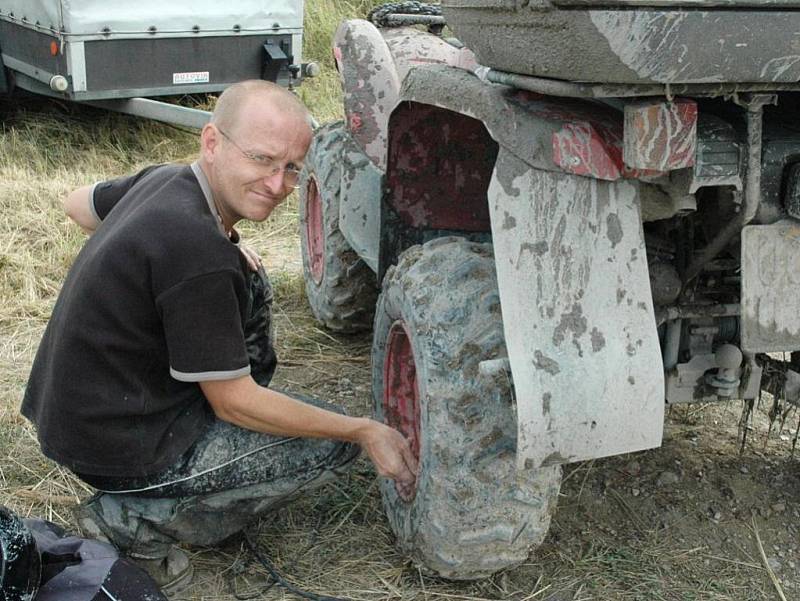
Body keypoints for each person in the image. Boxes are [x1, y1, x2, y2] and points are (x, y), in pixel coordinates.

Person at [21, 80, 417, 593]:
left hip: (73, 415)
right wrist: (362, 429)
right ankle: (135, 519)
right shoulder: (196, 250)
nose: (278, 183)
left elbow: (78, 205)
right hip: (118, 446)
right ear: (212, 142)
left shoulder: (167, 181)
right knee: (330, 445)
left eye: (292, 168)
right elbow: (234, 404)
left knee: (251, 283)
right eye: (262, 159)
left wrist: (197, 249)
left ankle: (186, 488)